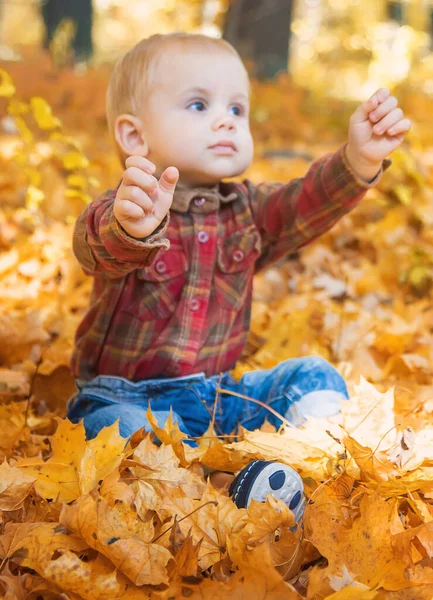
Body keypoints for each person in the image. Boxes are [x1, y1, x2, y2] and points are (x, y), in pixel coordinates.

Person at [67, 33, 411, 519]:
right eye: (199, 104)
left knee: (313, 376)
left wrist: (358, 160)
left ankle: (301, 472)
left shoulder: (248, 211)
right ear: (134, 136)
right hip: (128, 398)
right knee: (114, 430)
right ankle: (213, 491)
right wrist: (129, 228)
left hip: (219, 399)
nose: (226, 119)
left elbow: (303, 204)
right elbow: (94, 246)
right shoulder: (128, 206)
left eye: (238, 108)